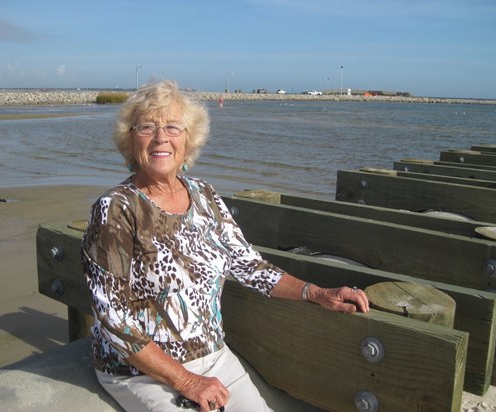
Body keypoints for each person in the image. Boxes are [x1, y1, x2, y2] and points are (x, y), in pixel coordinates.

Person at [81, 80, 369, 412]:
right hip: (140, 371)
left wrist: (316, 293)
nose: (161, 137)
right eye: (147, 127)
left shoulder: (204, 194)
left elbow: (248, 265)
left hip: (212, 357)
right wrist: (186, 381)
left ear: (188, 141)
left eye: (173, 127)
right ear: (130, 141)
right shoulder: (115, 210)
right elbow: (112, 317)